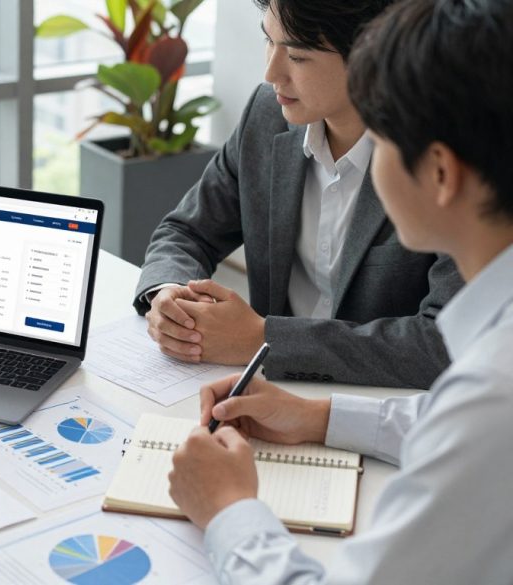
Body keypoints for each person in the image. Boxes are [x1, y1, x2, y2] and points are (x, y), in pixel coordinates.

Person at [167, 0, 513, 582]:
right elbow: (445, 417)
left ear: (440, 173)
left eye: (383, 134)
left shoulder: (489, 394)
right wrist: (319, 417)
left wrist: (229, 510)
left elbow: (470, 419)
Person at [135, 0, 464, 389]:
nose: (271, 72)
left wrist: (263, 339)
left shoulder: (441, 160)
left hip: (377, 408)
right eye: (268, 42)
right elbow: (187, 231)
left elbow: (444, 342)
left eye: (296, 55)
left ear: (370, 56)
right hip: (262, 391)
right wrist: (169, 296)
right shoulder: (266, 114)